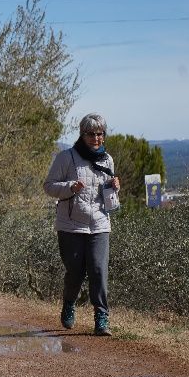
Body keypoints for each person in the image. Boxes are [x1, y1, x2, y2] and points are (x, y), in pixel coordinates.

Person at [43, 113, 121, 336]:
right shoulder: (66, 157)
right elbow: (48, 186)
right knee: (75, 272)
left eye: (100, 134)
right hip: (70, 225)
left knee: (98, 270)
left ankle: (101, 318)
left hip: (99, 223)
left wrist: (114, 187)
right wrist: (70, 187)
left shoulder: (107, 160)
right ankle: (69, 304)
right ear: (82, 134)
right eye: (91, 134)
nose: (96, 138)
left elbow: (106, 195)